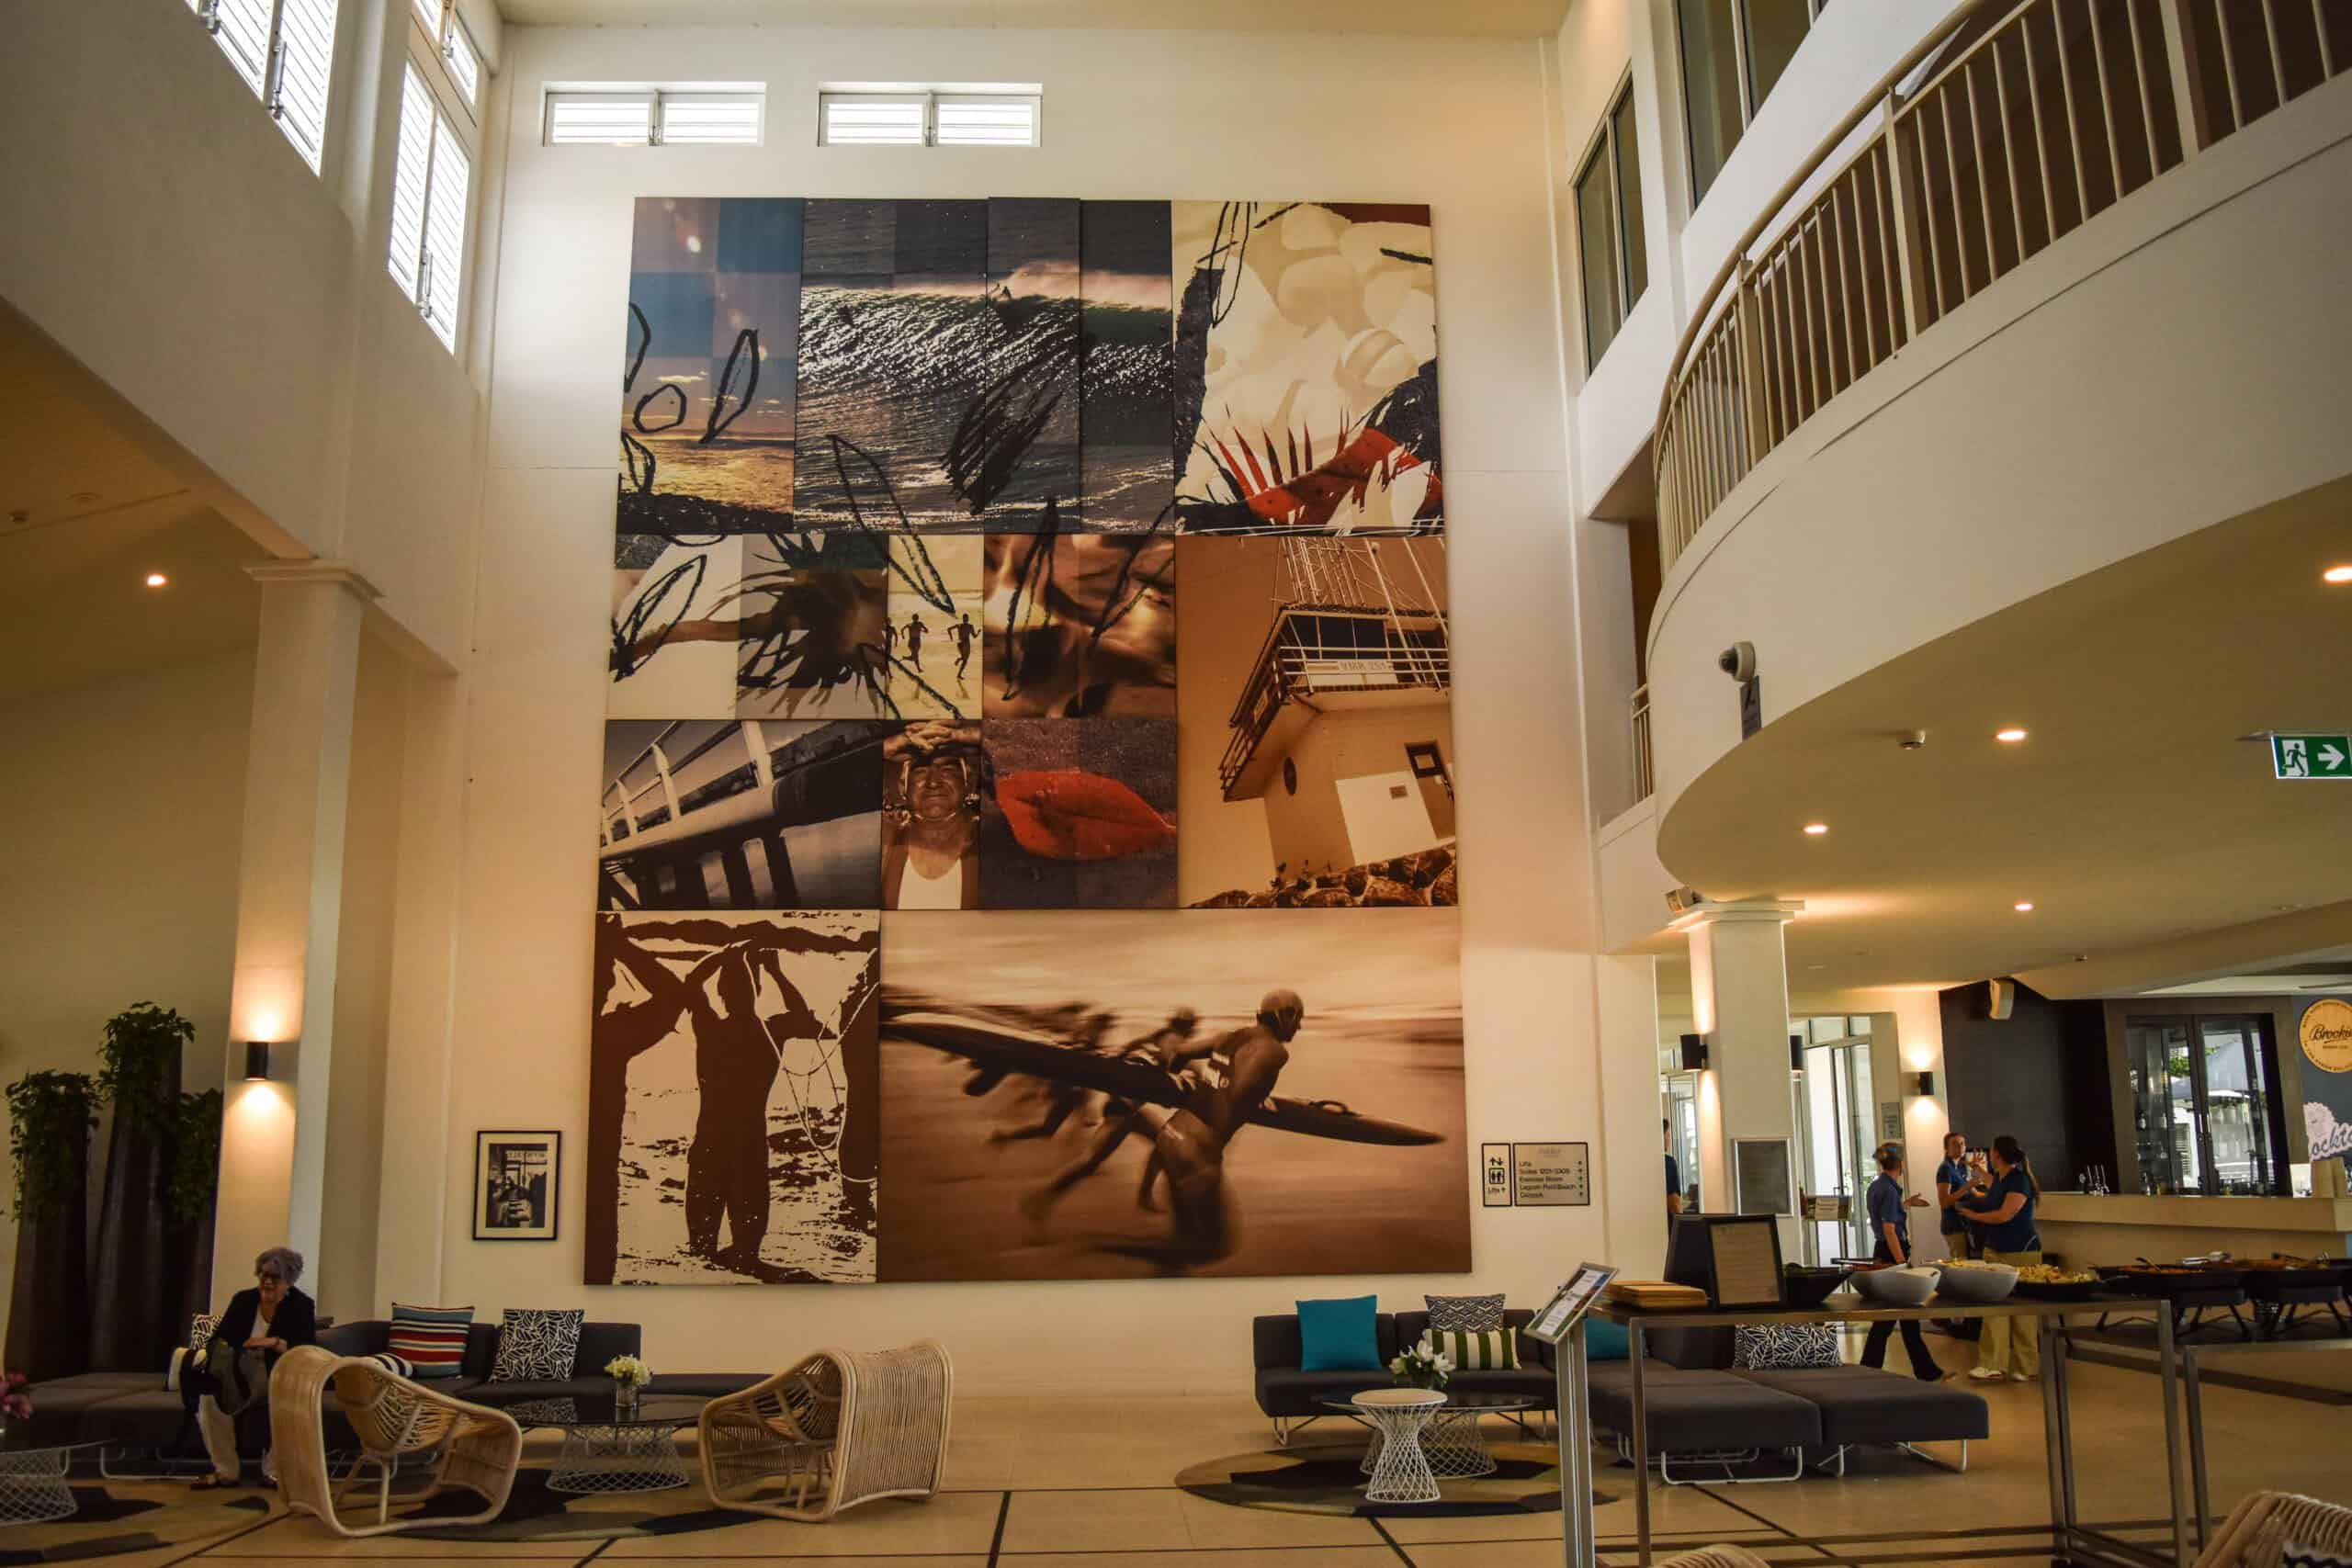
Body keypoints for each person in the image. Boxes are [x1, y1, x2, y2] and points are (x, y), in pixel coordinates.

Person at [1137, 989, 1303, 1269]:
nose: (1299, 1027)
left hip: (1170, 1136)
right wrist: (1258, 1100)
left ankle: (1159, 1276)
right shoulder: (1275, 1051)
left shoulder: (1229, 1037)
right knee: (1217, 1247)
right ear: (1284, 1016)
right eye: (1298, 1019)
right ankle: (1119, 1250)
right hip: (1194, 1154)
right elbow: (1236, 1094)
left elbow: (1180, 1053)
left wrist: (1173, 1081)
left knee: (1184, 1241)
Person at [1021, 1008, 1203, 1225]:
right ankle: (1042, 1197)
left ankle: (1144, 1196)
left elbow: (1121, 1060)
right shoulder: (1174, 1041)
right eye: (1191, 1029)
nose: (1190, 1035)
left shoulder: (1148, 1040)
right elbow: (1179, 1066)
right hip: (1121, 1113)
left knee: (1163, 1144)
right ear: (1188, 1028)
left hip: (1126, 1108)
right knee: (1089, 1162)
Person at [187, 1247, 316, 1488]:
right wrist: (238, 1348)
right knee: (209, 1401)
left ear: (289, 1281)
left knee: (294, 1403)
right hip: (239, 1374)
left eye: (275, 1278)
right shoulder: (243, 1300)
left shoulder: (301, 1305)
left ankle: (273, 1471)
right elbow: (219, 1339)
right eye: (263, 1275)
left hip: (279, 1375)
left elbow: (306, 1349)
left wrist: (273, 1342)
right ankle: (226, 1471)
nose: (267, 1282)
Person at [1959, 1134, 2044, 1382]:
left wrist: (1975, 1217)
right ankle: (1992, 1363)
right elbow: (1989, 1182)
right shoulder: (2000, 1178)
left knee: (2023, 1310)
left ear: (1996, 1154)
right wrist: (1976, 1169)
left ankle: (2026, 1366)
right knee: (1994, 1306)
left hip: (2021, 1250)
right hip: (1996, 1249)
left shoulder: (2019, 1181)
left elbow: (2005, 1215)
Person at [1859, 1148, 1944, 1382]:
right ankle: (1872, 1370)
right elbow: (1889, 1230)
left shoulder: (1877, 1186)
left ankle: (1923, 1370)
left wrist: (1904, 1204)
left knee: (1902, 1316)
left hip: (1883, 1251)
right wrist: (1900, 1264)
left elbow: (1883, 1216)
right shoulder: (1889, 1190)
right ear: (1900, 1164)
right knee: (1895, 1316)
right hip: (1892, 1253)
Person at [880, 722, 981, 908]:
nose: (933, 782)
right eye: (920, 771)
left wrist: (964, 735)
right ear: (903, 787)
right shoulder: (885, 842)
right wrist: (887, 746)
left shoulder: (994, 839)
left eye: (948, 770)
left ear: (969, 784)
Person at [1935, 1133, 1984, 1262]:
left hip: (1965, 1224)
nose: (1960, 1146)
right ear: (1946, 1148)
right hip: (1953, 1226)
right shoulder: (1945, 1169)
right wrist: (1967, 1187)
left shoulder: (1960, 1167)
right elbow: (1944, 1202)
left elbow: (1976, 1193)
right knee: (1962, 1265)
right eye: (1955, 1144)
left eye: (1962, 1143)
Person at [1664, 1119, 1684, 1219]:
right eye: (1668, 1135)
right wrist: (1683, 1224)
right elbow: (1674, 1202)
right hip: (1667, 1225)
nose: (1669, 1138)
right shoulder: (1668, 1162)